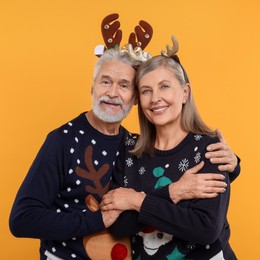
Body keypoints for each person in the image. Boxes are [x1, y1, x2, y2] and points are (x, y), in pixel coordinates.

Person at [9, 46, 239, 259]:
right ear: (92, 87)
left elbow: (205, 222)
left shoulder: (130, 144)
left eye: (125, 85)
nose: (113, 93)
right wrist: (171, 192)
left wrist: (232, 166)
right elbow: (23, 219)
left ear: (134, 99)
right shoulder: (66, 141)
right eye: (105, 82)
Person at [101, 46, 238, 259]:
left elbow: (205, 229)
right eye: (146, 90)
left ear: (185, 93)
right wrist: (174, 192)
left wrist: (136, 201)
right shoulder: (129, 150)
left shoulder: (209, 149)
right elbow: (117, 225)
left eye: (164, 87)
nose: (155, 98)